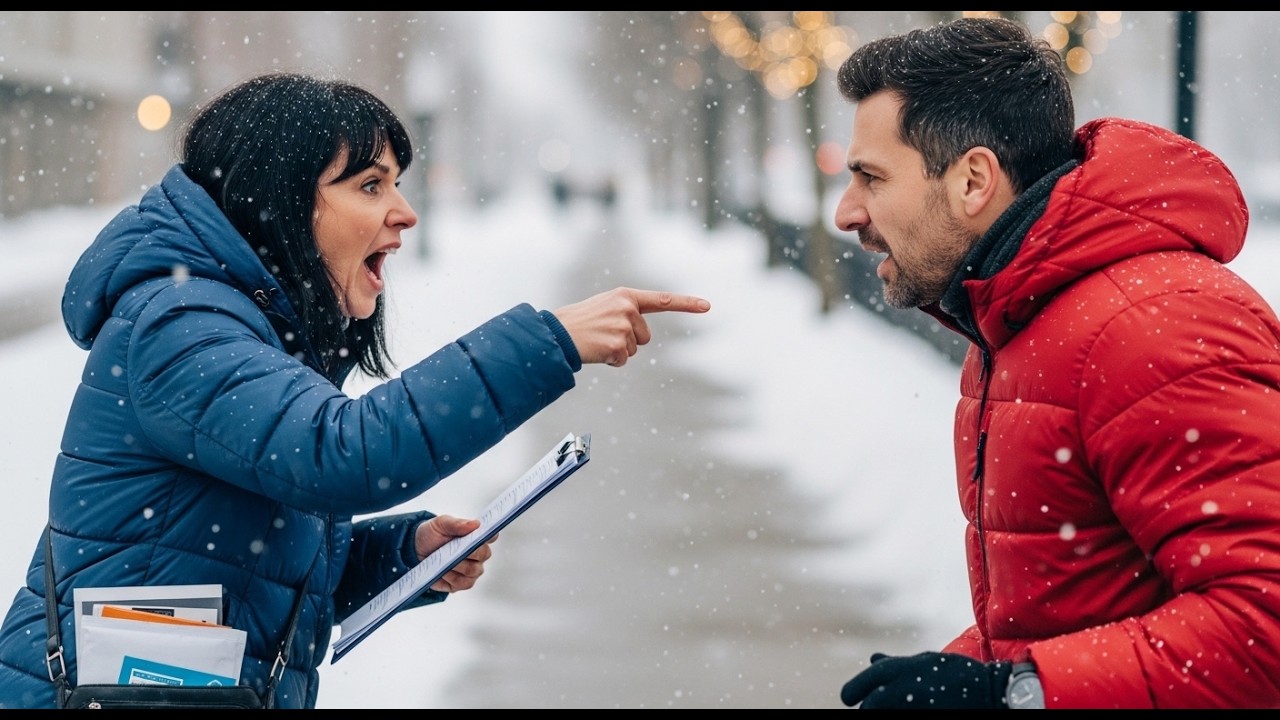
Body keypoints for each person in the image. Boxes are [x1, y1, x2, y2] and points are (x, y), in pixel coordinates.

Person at [0, 71, 710, 709]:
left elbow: (244, 563)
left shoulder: (245, 328)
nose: (404, 212)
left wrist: (403, 553)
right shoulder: (180, 324)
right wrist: (546, 342)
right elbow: (341, 454)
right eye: (371, 185)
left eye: (396, 184)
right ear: (279, 201)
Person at [831, 17, 1280, 710]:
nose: (846, 212)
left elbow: (1264, 625)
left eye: (870, 177)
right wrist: (959, 674)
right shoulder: (1021, 321)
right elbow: (1071, 605)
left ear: (973, 180)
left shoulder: (1154, 328)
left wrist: (1010, 692)